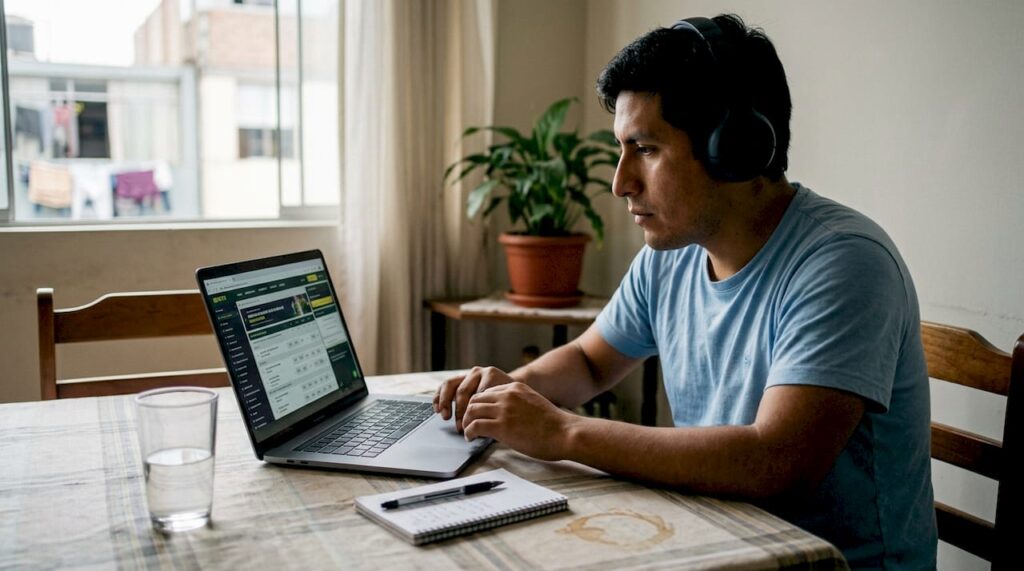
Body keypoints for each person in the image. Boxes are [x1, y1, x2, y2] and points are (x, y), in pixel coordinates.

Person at [434, 14, 936, 569]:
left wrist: (563, 431)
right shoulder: (670, 256)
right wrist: (505, 394)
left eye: (645, 149)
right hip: (720, 537)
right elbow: (589, 362)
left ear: (736, 149)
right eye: (621, 149)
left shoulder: (845, 263)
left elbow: (774, 461)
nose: (620, 182)